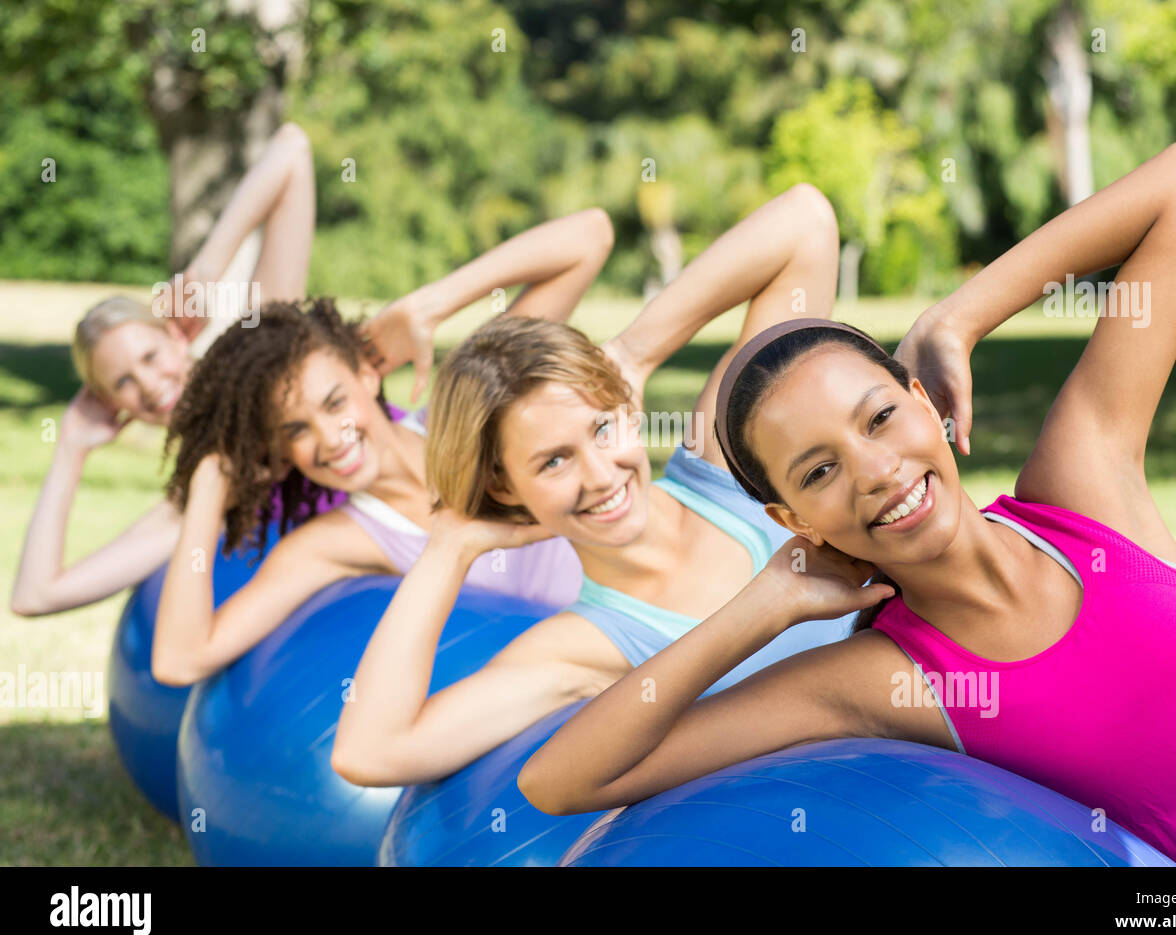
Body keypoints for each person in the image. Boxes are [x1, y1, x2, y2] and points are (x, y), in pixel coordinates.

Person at [518, 143, 1176, 868]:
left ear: (926, 402)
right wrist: (766, 603)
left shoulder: (1081, 493)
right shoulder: (882, 679)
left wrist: (956, 318)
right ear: (793, 520)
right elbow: (562, 783)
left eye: (881, 417)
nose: (877, 471)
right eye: (819, 471)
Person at [332, 184, 864, 788]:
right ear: (505, 487)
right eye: (553, 462)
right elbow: (370, 753)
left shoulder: (728, 460)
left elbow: (806, 223)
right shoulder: (583, 646)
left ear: (627, 410)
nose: (600, 475)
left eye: (601, 428)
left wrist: (636, 352)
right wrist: (451, 546)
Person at [149, 206, 614, 686]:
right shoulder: (336, 541)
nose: (330, 439)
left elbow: (590, 237)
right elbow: (178, 660)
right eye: (296, 431)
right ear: (281, 453)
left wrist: (431, 303)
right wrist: (208, 482)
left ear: (368, 374)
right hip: (588, 674)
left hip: (655, 596)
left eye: (334, 402)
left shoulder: (471, 407)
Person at [12, 122, 319, 616]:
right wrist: (70, 446)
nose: (150, 386)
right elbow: (34, 595)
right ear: (116, 408)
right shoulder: (195, 494)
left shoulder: (263, 351)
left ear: (177, 335)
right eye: (123, 384)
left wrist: (205, 269)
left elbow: (292, 147)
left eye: (150, 357)